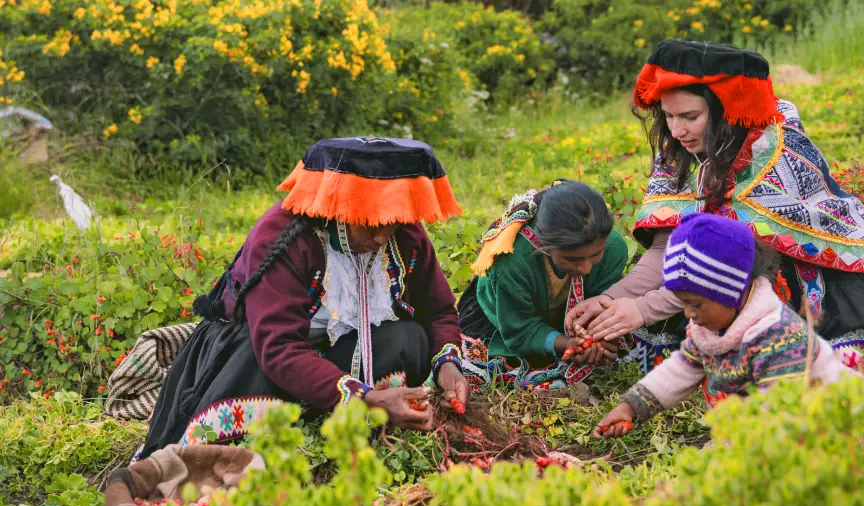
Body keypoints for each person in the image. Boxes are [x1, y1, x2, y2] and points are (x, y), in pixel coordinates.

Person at [571, 40, 864, 382]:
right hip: (706, 285)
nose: (677, 131)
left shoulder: (774, 151)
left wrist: (644, 309)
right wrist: (610, 299)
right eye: (669, 116)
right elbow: (666, 248)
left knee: (821, 362)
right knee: (642, 345)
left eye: (690, 116)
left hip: (793, 276)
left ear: (726, 110)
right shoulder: (679, 148)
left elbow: (742, 264)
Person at [138, 137, 470, 460]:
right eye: (371, 223)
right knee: (248, 376)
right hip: (262, 354)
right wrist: (365, 398)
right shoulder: (284, 237)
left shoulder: (405, 235)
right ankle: (285, 432)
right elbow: (279, 348)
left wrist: (449, 366)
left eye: (393, 221)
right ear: (340, 207)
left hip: (335, 351)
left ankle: (344, 418)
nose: (382, 236)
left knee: (406, 337)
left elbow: (438, 310)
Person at [594, 213, 857, 438]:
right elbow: (682, 369)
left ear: (731, 293)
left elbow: (780, 413)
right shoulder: (712, 327)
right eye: (684, 303)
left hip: (831, 427)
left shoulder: (777, 337)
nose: (689, 313)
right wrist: (632, 406)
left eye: (696, 304)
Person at [458, 179, 666, 390]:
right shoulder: (511, 262)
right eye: (572, 259)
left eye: (595, 254)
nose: (585, 269)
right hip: (504, 319)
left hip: (560, 318)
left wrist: (599, 339)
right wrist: (567, 344)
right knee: (486, 369)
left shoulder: (613, 249)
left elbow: (599, 303)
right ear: (544, 245)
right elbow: (520, 330)